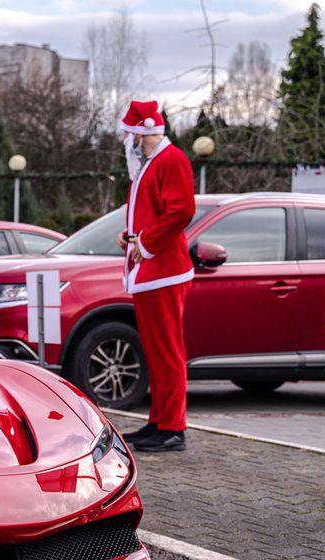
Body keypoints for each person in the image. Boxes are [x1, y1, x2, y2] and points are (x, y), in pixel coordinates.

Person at [114, 100, 196, 453]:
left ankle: (173, 427)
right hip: (151, 268)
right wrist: (131, 236)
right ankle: (160, 421)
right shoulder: (151, 163)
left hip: (164, 270)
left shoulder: (171, 160)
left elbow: (182, 211)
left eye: (128, 133)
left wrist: (145, 243)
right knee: (156, 350)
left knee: (167, 350)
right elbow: (155, 212)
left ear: (141, 133)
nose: (125, 140)